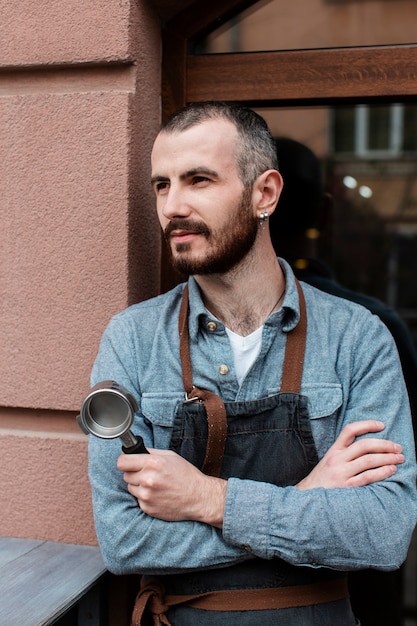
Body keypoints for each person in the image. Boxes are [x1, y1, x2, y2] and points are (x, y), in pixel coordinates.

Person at [88, 101, 417, 626]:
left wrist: (208, 498)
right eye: (162, 185)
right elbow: (126, 542)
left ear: (264, 193)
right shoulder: (132, 339)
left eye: (198, 180)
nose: (172, 206)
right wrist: (304, 500)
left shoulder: (358, 338)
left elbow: (382, 533)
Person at [270, 136, 417, 626]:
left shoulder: (366, 332)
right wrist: (313, 495)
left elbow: (382, 521)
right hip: (365, 593)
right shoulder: (379, 325)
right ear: (325, 214)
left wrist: (207, 501)